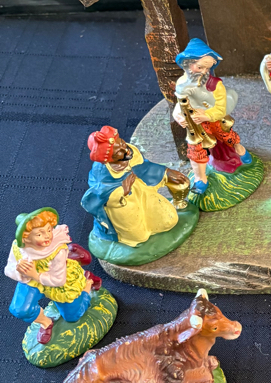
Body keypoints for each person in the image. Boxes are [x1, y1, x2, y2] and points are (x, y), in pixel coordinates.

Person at [5, 208, 98, 344]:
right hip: (31, 281)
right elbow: (8, 269)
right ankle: (46, 322)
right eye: (39, 234)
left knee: (73, 316)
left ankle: (86, 284)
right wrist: (19, 269)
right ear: (26, 238)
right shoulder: (18, 247)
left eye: (49, 230)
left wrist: (35, 274)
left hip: (56, 281)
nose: (47, 236)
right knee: (20, 309)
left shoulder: (57, 250)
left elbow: (58, 280)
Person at [82, 127, 186, 247]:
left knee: (169, 220)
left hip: (142, 192)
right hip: (122, 205)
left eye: (122, 143)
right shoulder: (103, 173)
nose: (125, 150)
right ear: (108, 160)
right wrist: (123, 191)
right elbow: (100, 195)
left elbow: (144, 168)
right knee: (140, 237)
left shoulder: (131, 153)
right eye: (118, 152)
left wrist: (166, 172)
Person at [173, 39, 252, 194]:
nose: (203, 72)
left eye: (207, 68)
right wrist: (179, 116)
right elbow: (179, 104)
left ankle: (239, 149)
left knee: (226, 136)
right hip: (195, 124)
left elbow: (221, 109)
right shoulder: (181, 84)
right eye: (200, 67)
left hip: (214, 120)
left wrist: (206, 115)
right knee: (195, 150)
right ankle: (200, 179)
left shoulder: (216, 85)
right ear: (187, 64)